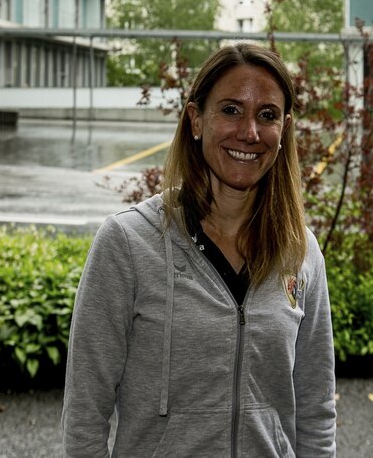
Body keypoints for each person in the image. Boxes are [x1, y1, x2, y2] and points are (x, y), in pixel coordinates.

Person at [62, 43, 337, 457]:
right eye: (230, 110)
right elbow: (85, 413)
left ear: (284, 131)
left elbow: (315, 410)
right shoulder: (128, 244)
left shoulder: (299, 250)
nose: (250, 132)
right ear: (195, 119)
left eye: (267, 115)